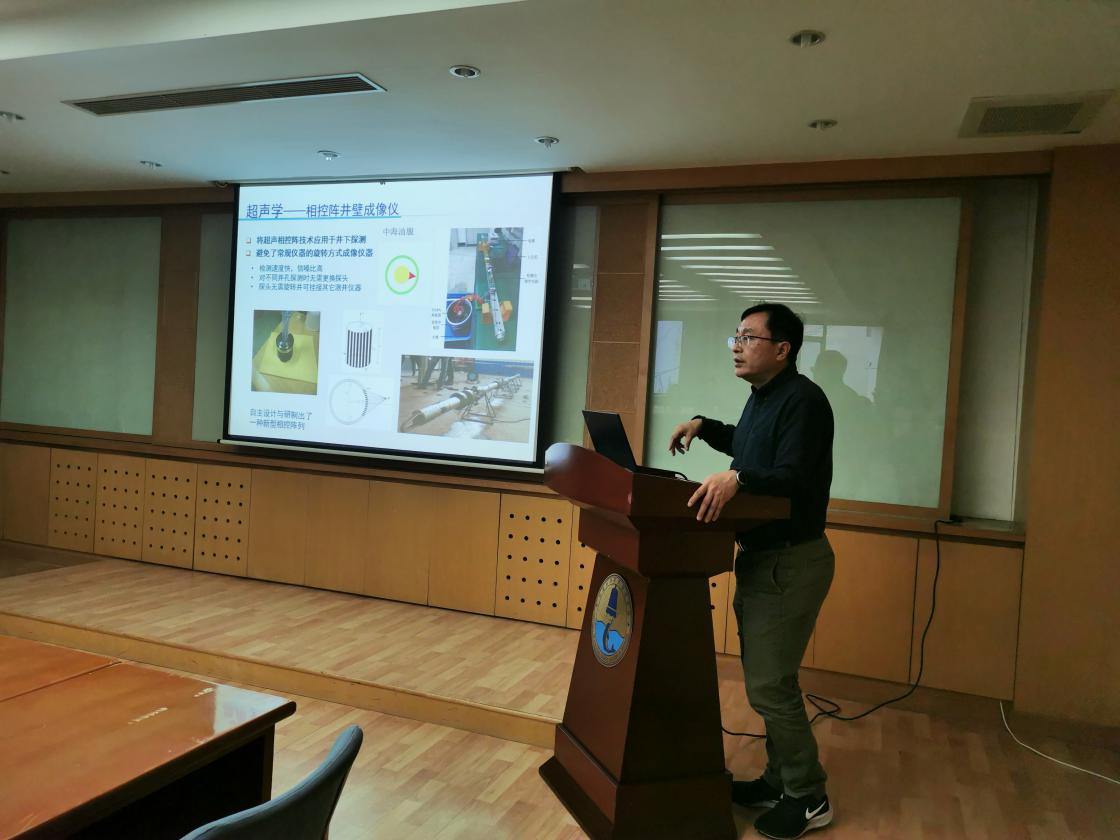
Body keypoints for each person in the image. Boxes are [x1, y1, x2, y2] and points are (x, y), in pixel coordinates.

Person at [668, 303, 835, 840]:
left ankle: (808, 796)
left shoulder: (804, 400)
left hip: (791, 559)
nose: (737, 346)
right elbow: (746, 444)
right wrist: (704, 426)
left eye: (748, 337)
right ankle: (777, 780)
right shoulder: (764, 397)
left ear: (782, 349)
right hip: (763, 558)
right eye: (735, 336)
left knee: (768, 687)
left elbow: (790, 474)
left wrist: (738, 478)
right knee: (771, 681)